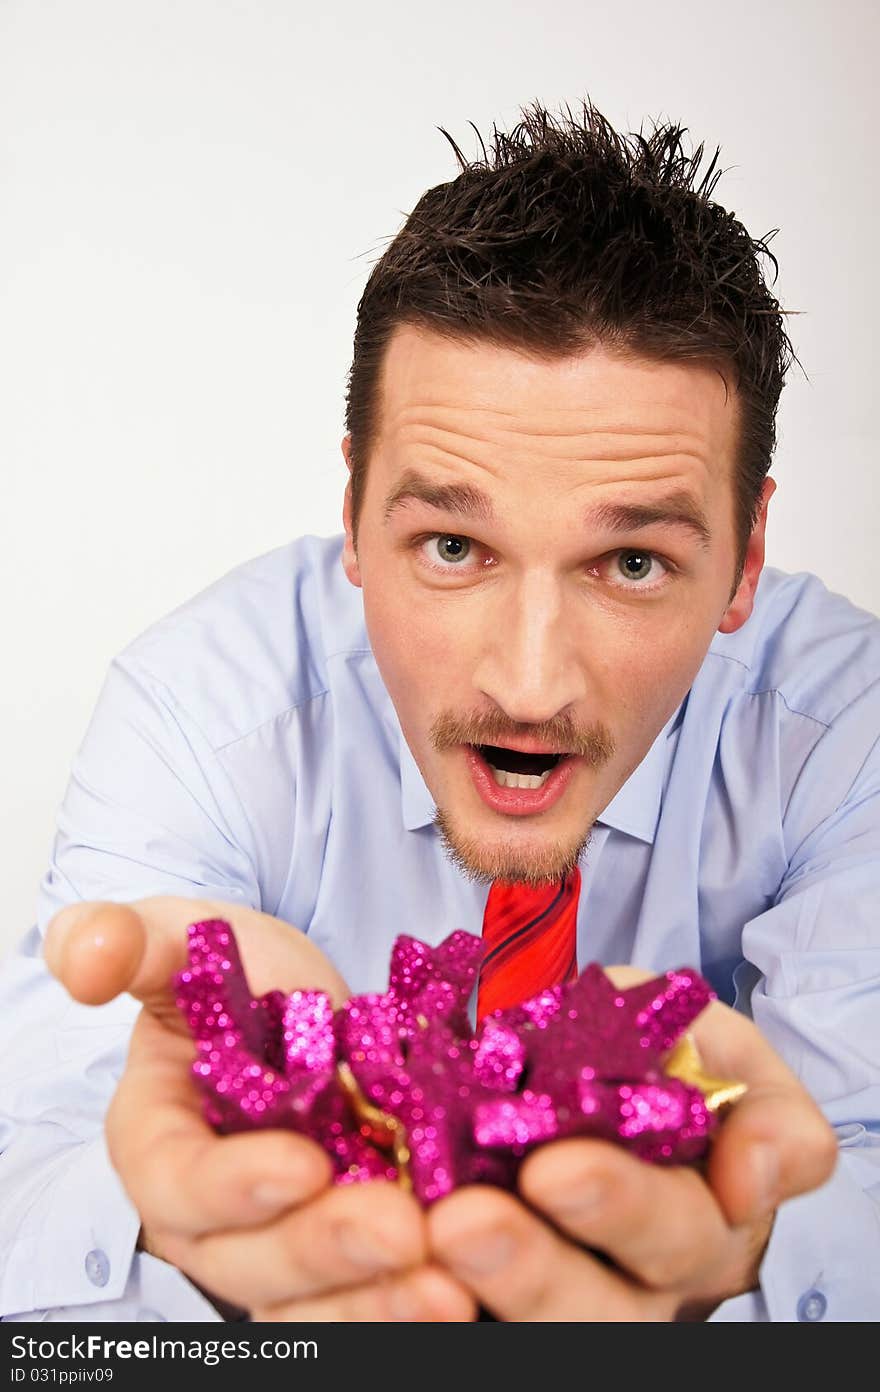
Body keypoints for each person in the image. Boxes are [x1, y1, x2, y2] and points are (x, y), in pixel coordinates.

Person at [0, 99, 876, 1324]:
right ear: (354, 513)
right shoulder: (202, 713)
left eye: (631, 565)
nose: (527, 685)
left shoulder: (848, 740)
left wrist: (736, 1261)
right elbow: (33, 1195)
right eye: (453, 545)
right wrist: (192, 1234)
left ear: (745, 561)